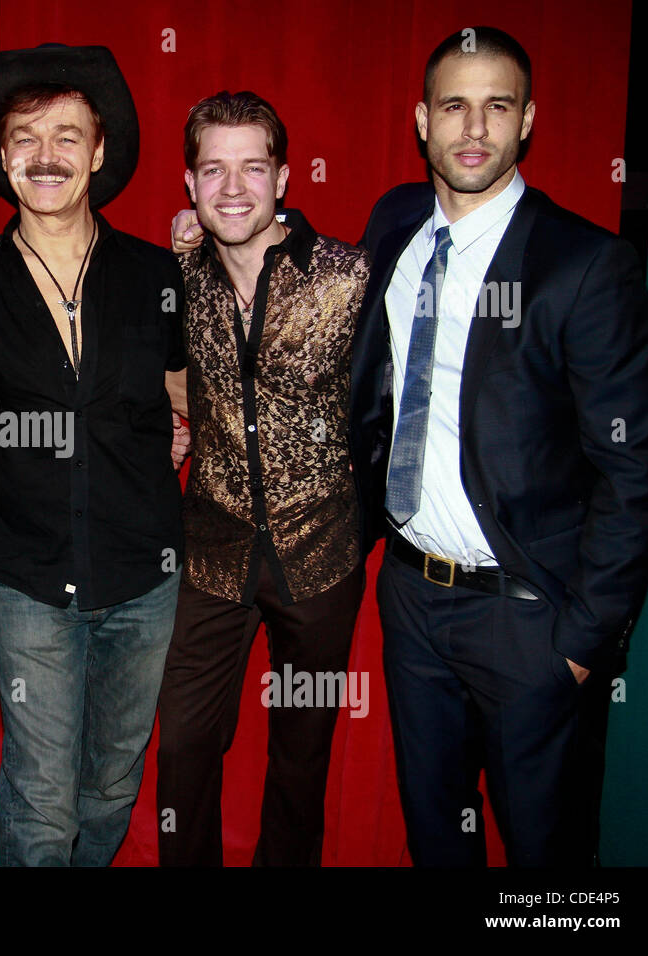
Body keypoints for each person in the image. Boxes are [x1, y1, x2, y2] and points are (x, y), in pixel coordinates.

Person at [349, 26, 648, 866]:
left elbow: (633, 471)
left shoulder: (584, 266)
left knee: (548, 857)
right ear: (423, 120)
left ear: (528, 121)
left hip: (529, 618)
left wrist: (579, 646)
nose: (475, 129)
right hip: (413, 600)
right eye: (455, 107)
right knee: (436, 839)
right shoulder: (395, 226)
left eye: (498, 107)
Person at [0, 44, 186, 866]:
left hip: (143, 580)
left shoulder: (158, 276)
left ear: (100, 152)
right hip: (27, 581)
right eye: (27, 138)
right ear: (3, 159)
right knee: (42, 800)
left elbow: (190, 405)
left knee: (112, 786)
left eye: (68, 136)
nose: (48, 156)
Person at [158, 91, 369, 866]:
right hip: (212, 552)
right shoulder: (179, 272)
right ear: (190, 185)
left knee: (301, 755)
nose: (234, 188)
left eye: (253, 166)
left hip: (322, 556)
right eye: (214, 169)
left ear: (283, 177)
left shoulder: (350, 276)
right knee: (183, 741)